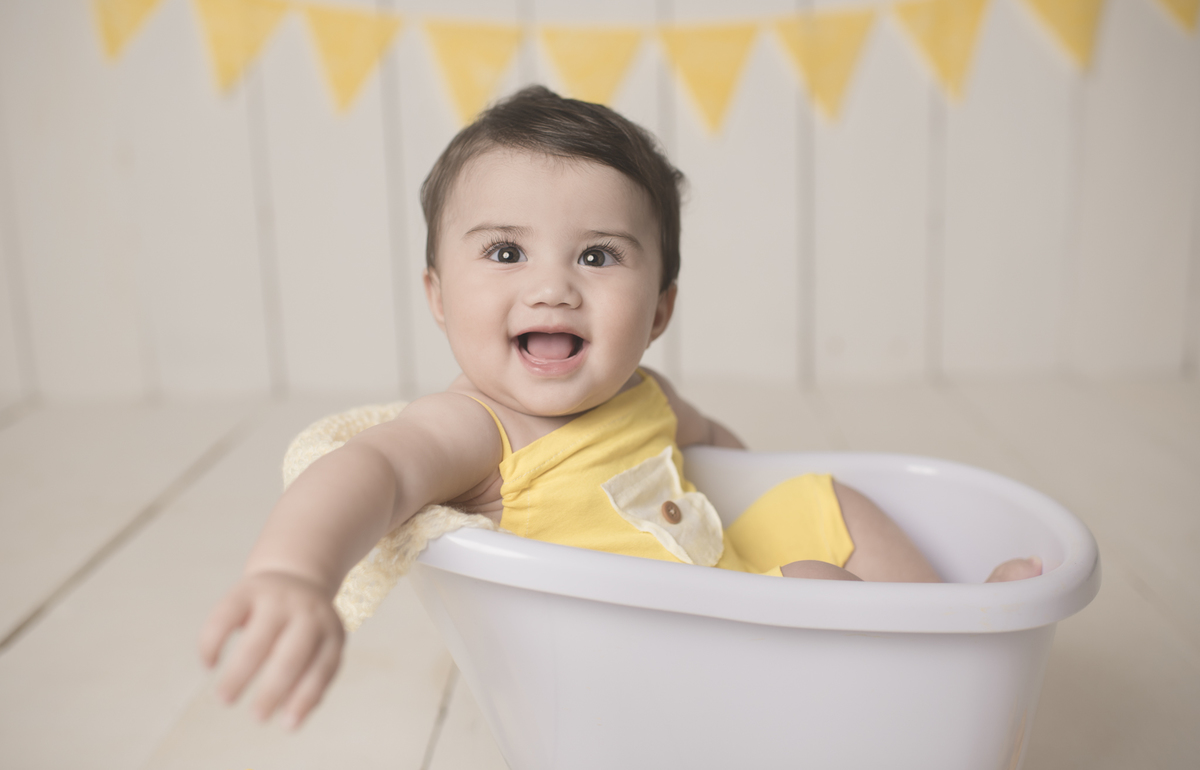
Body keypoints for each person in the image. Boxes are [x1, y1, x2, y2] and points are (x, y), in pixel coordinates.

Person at [199, 85, 1041, 730]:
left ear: (660, 311)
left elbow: (732, 464)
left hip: (725, 587)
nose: (553, 285)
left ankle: (954, 626)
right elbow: (370, 471)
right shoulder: (475, 428)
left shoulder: (648, 397)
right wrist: (294, 574)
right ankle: (905, 709)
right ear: (439, 295)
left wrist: (758, 504)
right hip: (645, 662)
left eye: (598, 255)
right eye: (504, 251)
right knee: (817, 585)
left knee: (832, 505)